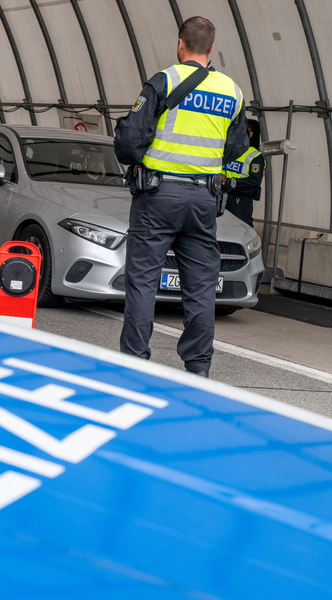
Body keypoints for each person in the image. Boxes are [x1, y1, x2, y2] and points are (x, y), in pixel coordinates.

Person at [114, 16, 249, 378]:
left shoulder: (165, 80)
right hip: (204, 199)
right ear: (212, 48)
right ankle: (198, 368)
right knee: (202, 287)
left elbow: (129, 141)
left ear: (180, 44)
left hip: (157, 196)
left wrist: (143, 159)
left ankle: (134, 362)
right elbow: (237, 148)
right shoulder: (232, 91)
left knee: (143, 280)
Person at [222, 119, 265, 226]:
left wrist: (228, 181)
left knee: (239, 229)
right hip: (220, 197)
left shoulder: (255, 156)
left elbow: (253, 183)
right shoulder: (227, 150)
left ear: (250, 134)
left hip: (240, 201)